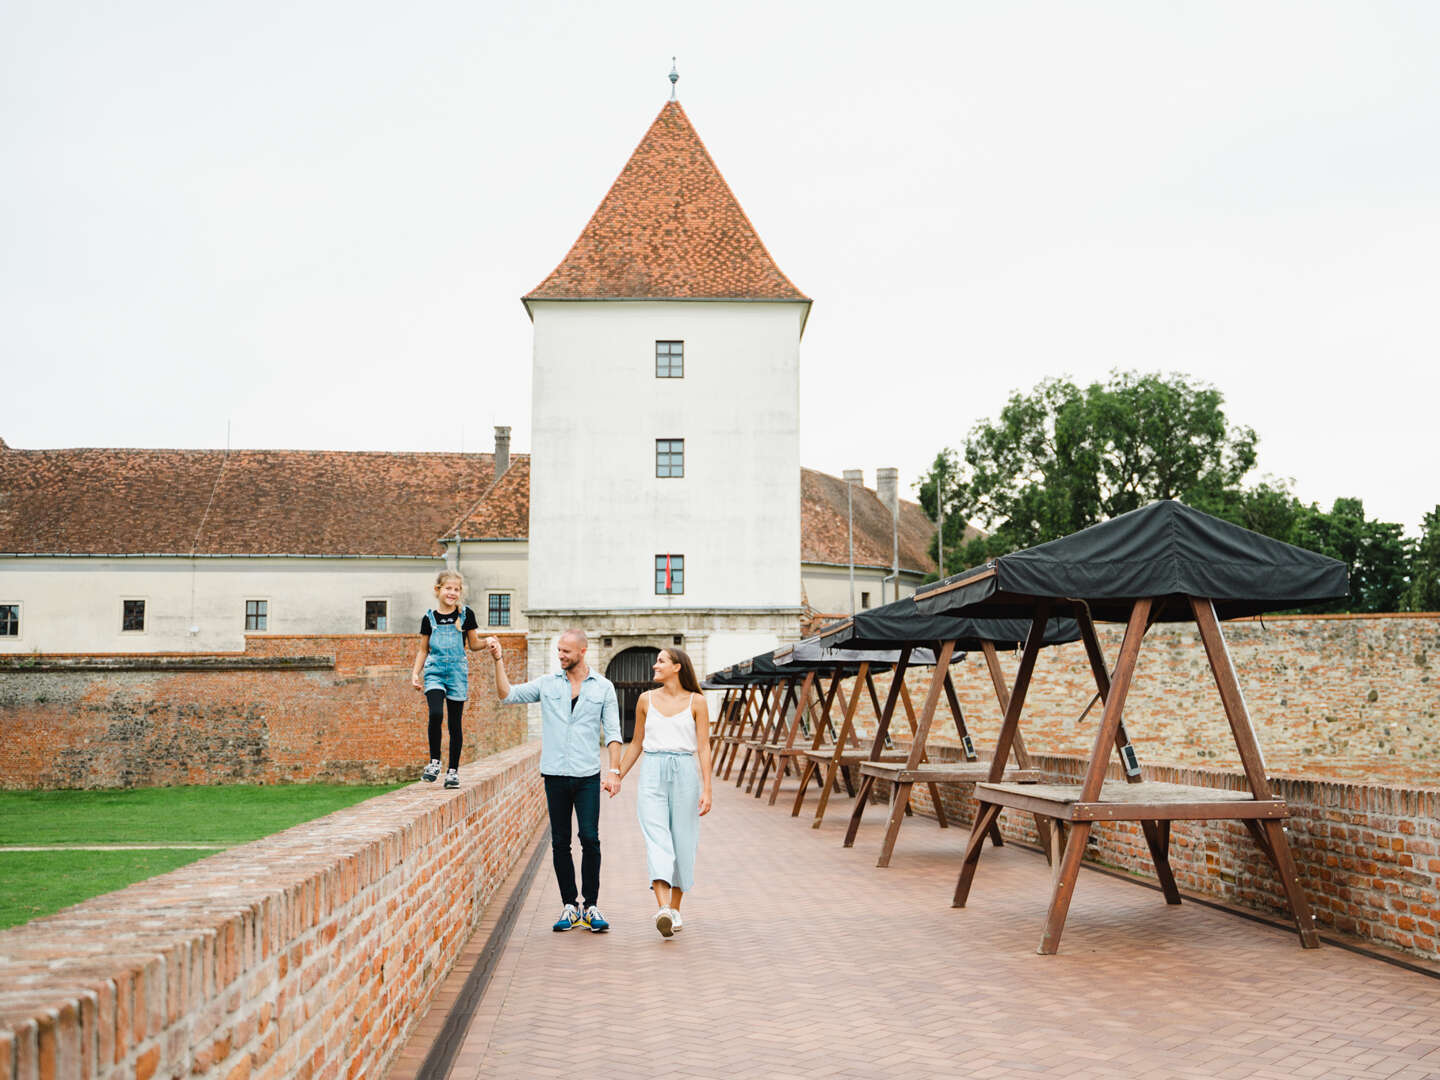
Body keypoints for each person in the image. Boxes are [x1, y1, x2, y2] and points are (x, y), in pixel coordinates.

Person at [486, 629, 622, 933]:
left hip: (588, 775)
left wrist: (614, 771)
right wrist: (498, 660)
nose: (560, 656)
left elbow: (613, 733)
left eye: (566, 652)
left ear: (582, 652)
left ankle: (591, 906)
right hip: (555, 774)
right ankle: (569, 906)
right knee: (560, 842)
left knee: (589, 837)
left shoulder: (603, 688)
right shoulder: (547, 685)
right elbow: (507, 695)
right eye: (558, 651)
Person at [615, 647, 713, 938]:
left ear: (677, 667)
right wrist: (616, 775)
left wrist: (707, 789)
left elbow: (704, 746)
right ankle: (663, 909)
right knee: (657, 839)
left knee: (683, 842)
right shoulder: (645, 700)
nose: (654, 665)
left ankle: (676, 909)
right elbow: (635, 743)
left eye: (661, 661)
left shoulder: (697, 702)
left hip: (685, 773)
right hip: (652, 772)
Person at [410, 570, 482, 789]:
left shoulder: (466, 615)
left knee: (454, 724)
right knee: (436, 713)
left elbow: (474, 644)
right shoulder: (429, 618)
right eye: (448, 588)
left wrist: (488, 642)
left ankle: (453, 771)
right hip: (434, 671)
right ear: (438, 590)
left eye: (457, 589)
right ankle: (434, 762)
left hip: (457, 673)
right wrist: (415, 673)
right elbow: (424, 649)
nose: (453, 593)